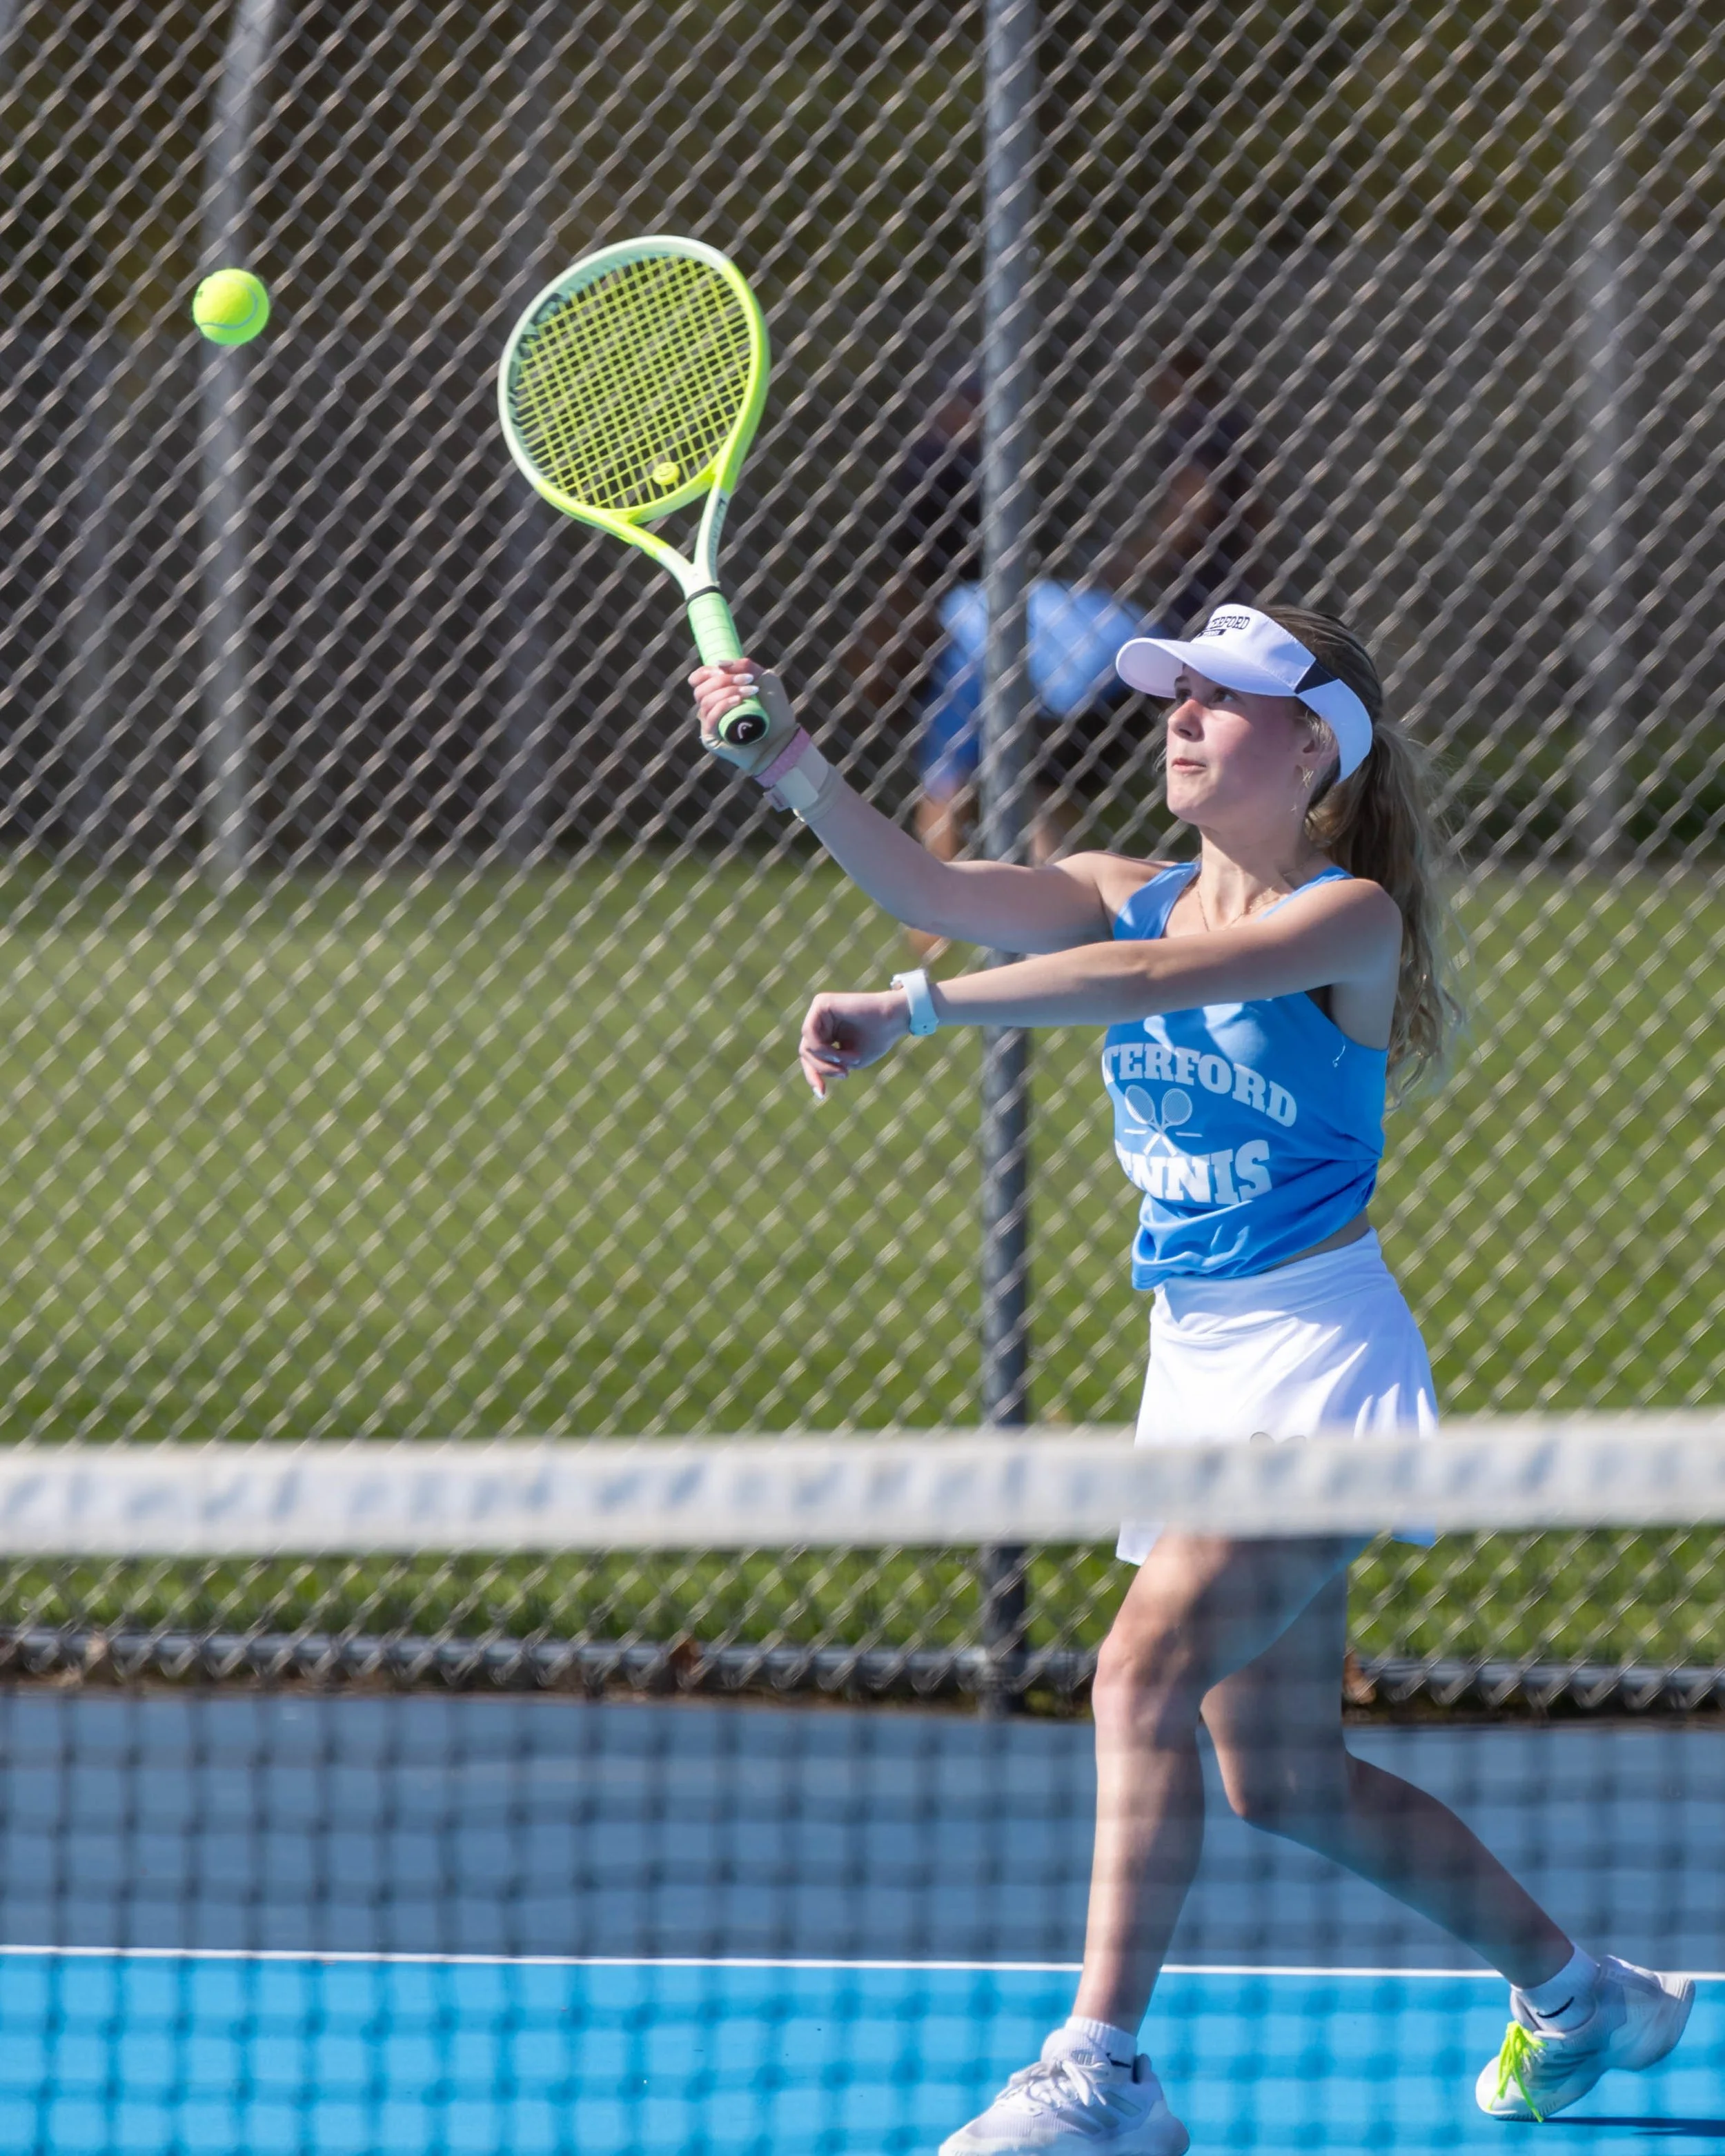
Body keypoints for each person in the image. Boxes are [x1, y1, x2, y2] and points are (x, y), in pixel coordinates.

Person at [689, 602, 1693, 2153]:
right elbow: (935, 885)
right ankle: (1583, 1998)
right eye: (1174, 692)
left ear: (1311, 752)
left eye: (1225, 703)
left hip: (1319, 1364)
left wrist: (918, 1008)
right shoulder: (1112, 880)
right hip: (1194, 1368)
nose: (1179, 716)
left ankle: (1102, 2071)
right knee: (1278, 1774)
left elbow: (1151, 977)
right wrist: (794, 768)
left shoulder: (1347, 919)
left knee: (1133, 1672)